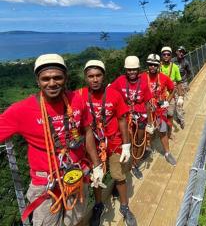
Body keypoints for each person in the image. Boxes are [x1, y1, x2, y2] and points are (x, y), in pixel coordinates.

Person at [0, 54, 102, 226]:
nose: (52, 83)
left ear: (65, 78)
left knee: (75, 221)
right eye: (45, 78)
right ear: (38, 81)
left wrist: (97, 165)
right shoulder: (21, 110)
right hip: (45, 183)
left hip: (75, 175)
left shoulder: (77, 100)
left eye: (57, 77)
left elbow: (87, 130)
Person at [77, 60, 137, 226]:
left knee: (119, 175)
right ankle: (98, 205)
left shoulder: (114, 94)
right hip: (92, 145)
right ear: (85, 77)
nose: (95, 80)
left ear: (103, 77)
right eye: (91, 76)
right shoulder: (79, 96)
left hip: (114, 142)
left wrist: (126, 145)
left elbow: (122, 119)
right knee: (97, 178)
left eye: (98, 75)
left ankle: (125, 206)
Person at [110, 56, 154, 180]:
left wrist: (150, 122)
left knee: (139, 141)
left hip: (140, 116)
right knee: (127, 141)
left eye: (134, 69)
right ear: (126, 70)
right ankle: (130, 165)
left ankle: (135, 162)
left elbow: (147, 103)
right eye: (129, 69)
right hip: (126, 116)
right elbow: (110, 93)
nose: (132, 72)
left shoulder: (144, 83)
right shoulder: (120, 81)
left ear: (138, 69)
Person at [141, 54, 177, 166]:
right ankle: (148, 149)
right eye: (150, 64)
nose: (152, 67)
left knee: (162, 131)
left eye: (155, 65)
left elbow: (173, 89)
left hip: (159, 110)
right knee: (147, 131)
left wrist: (167, 101)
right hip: (145, 109)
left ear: (158, 66)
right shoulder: (141, 77)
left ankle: (167, 152)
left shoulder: (164, 78)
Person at [160, 47, 185, 130]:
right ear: (162, 56)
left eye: (168, 54)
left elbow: (178, 82)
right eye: (164, 54)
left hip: (171, 92)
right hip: (161, 94)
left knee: (170, 113)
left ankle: (170, 131)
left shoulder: (175, 67)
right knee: (162, 113)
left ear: (171, 56)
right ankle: (163, 131)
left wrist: (181, 96)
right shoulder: (158, 67)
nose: (166, 56)